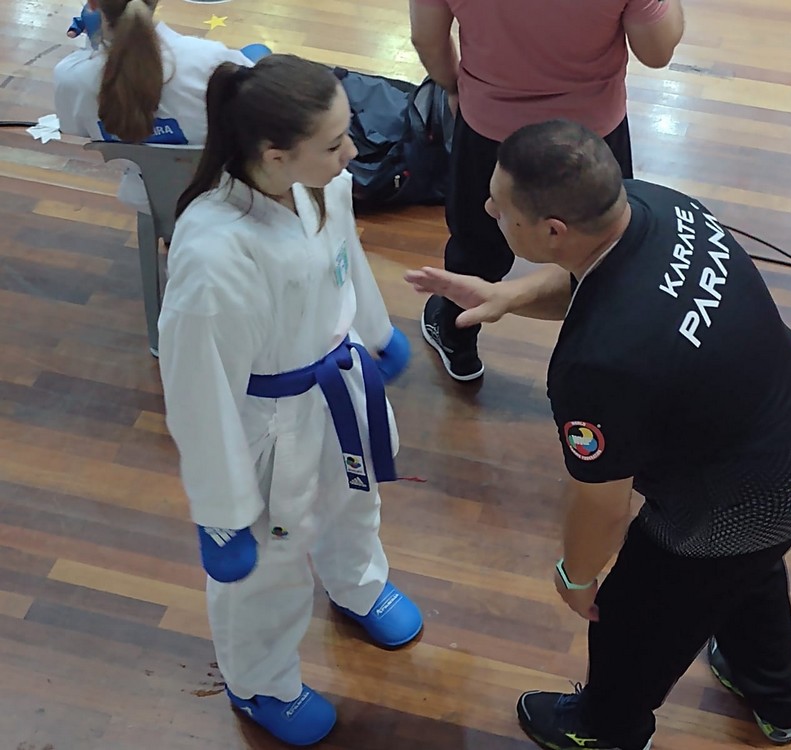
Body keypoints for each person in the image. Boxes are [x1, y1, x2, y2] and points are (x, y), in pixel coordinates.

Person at [406, 120, 791, 750]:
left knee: (632, 617)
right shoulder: (655, 204)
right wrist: (508, 296)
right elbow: (595, 278)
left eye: (501, 206)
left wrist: (577, 575)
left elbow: (603, 505)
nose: (488, 210)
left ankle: (608, 730)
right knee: (744, 569)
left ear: (553, 230)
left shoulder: (598, 366)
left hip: (744, 499)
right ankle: (777, 698)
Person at [158, 54, 423, 747]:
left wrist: (375, 330)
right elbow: (196, 390)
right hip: (268, 423)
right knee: (270, 565)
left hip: (337, 385)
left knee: (355, 499)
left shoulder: (321, 186)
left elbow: (345, 261)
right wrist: (220, 512)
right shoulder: (214, 254)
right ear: (275, 155)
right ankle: (260, 682)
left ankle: (357, 582)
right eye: (334, 144)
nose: (352, 152)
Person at [409, 0, 686, 381]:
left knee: (476, 245)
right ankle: (608, 359)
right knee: (605, 252)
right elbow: (656, 52)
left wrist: (454, 87)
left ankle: (457, 336)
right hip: (591, 136)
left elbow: (426, 38)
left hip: (489, 128)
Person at [54, 0, 269, 212]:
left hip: (146, 195)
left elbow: (74, 129)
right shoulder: (210, 59)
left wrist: (93, 44)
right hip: (219, 188)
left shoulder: (70, 77)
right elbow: (259, 112)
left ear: (93, 4)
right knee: (258, 52)